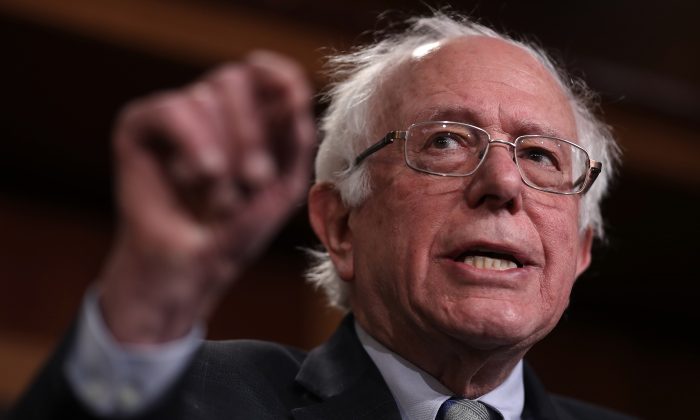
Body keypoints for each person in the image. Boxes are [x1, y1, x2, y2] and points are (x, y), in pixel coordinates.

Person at [9, 12, 636, 420]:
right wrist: (151, 297)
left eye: (541, 156)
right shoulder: (192, 399)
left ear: (579, 249)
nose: (501, 183)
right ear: (340, 226)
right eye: (444, 141)